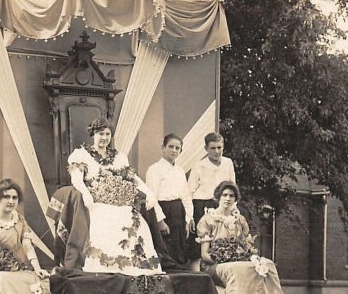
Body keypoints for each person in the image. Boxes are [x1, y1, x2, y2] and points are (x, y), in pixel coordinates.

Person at [67, 118, 163, 276]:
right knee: (105, 217)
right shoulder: (82, 155)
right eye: (100, 133)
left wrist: (149, 193)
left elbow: (133, 178)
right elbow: (76, 178)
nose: (104, 138)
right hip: (97, 202)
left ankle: (134, 264)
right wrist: (85, 193)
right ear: (93, 134)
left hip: (119, 203)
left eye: (107, 134)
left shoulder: (119, 157)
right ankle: (107, 264)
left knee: (134, 220)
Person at [196, 181, 286, 294]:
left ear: (235, 199)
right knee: (237, 268)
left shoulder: (239, 220)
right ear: (218, 197)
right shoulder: (208, 219)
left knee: (267, 264)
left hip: (238, 260)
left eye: (231, 196)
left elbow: (246, 246)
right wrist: (222, 258)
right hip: (214, 264)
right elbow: (204, 255)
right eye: (224, 195)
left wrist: (249, 255)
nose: (227, 198)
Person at [186, 132, 236, 267]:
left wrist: (233, 209)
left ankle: (217, 275)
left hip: (222, 205)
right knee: (199, 245)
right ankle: (196, 276)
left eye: (219, 147)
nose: (217, 151)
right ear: (206, 149)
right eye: (213, 148)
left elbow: (232, 187)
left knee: (221, 241)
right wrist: (189, 216)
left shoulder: (228, 163)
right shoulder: (199, 166)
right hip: (202, 205)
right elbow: (189, 192)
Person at [146, 134, 193, 265]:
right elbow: (151, 197)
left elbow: (186, 196)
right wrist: (160, 220)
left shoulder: (179, 171)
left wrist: (188, 220)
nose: (174, 150)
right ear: (163, 148)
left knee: (180, 250)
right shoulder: (154, 169)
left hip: (179, 211)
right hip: (164, 210)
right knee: (166, 250)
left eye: (177, 148)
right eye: (171, 146)